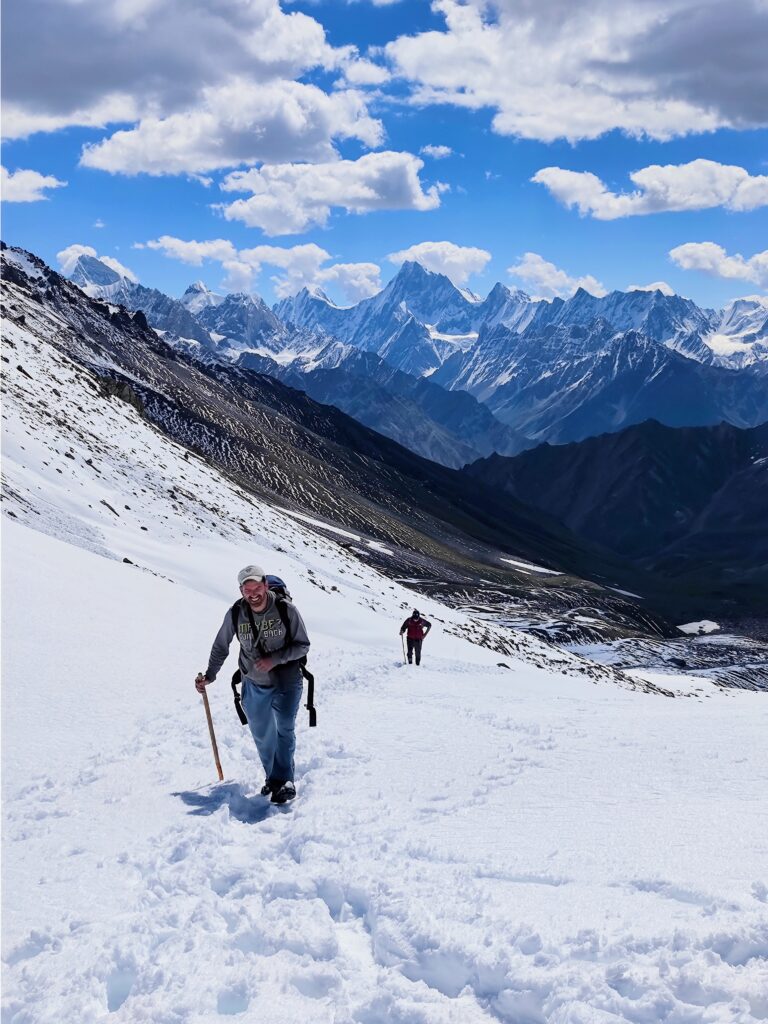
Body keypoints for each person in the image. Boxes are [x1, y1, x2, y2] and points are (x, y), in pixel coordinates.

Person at [196, 565, 310, 804]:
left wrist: (274, 659)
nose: (253, 593)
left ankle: (284, 781)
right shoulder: (236, 613)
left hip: (286, 679)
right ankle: (273, 778)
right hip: (253, 682)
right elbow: (221, 646)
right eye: (247, 589)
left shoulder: (285, 609)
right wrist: (210, 674)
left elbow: (302, 645)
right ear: (241, 591)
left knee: (284, 729)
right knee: (262, 735)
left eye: (257, 587)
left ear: (265, 585)